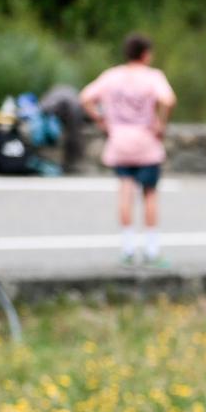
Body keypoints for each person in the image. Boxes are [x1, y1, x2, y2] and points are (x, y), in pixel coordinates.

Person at [81, 34, 177, 269]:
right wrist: (161, 124)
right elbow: (168, 100)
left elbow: (85, 98)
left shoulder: (112, 76)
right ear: (145, 54)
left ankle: (127, 249)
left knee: (125, 192)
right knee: (149, 194)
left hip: (119, 141)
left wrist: (101, 120)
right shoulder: (152, 76)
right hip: (146, 142)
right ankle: (152, 251)